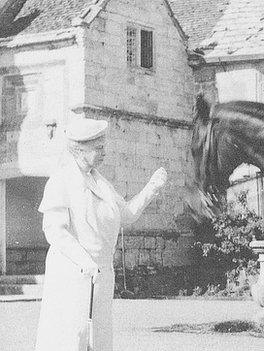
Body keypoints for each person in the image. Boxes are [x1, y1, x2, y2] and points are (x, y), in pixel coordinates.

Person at [34, 118, 168, 351]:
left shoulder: (101, 183)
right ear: (79, 149)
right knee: (71, 337)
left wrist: (151, 188)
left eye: (104, 146)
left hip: (102, 274)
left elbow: (126, 214)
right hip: (72, 275)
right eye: (98, 148)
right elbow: (54, 230)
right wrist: (84, 261)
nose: (104, 152)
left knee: (99, 340)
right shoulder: (61, 180)